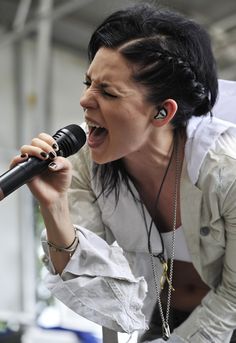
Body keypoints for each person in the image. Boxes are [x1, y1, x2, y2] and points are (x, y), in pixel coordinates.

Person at [11, 3, 236, 343]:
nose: (85, 100)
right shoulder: (88, 163)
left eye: (108, 92)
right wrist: (54, 207)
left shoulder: (226, 174)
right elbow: (101, 292)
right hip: (158, 317)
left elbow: (231, 299)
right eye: (89, 83)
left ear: (162, 111)